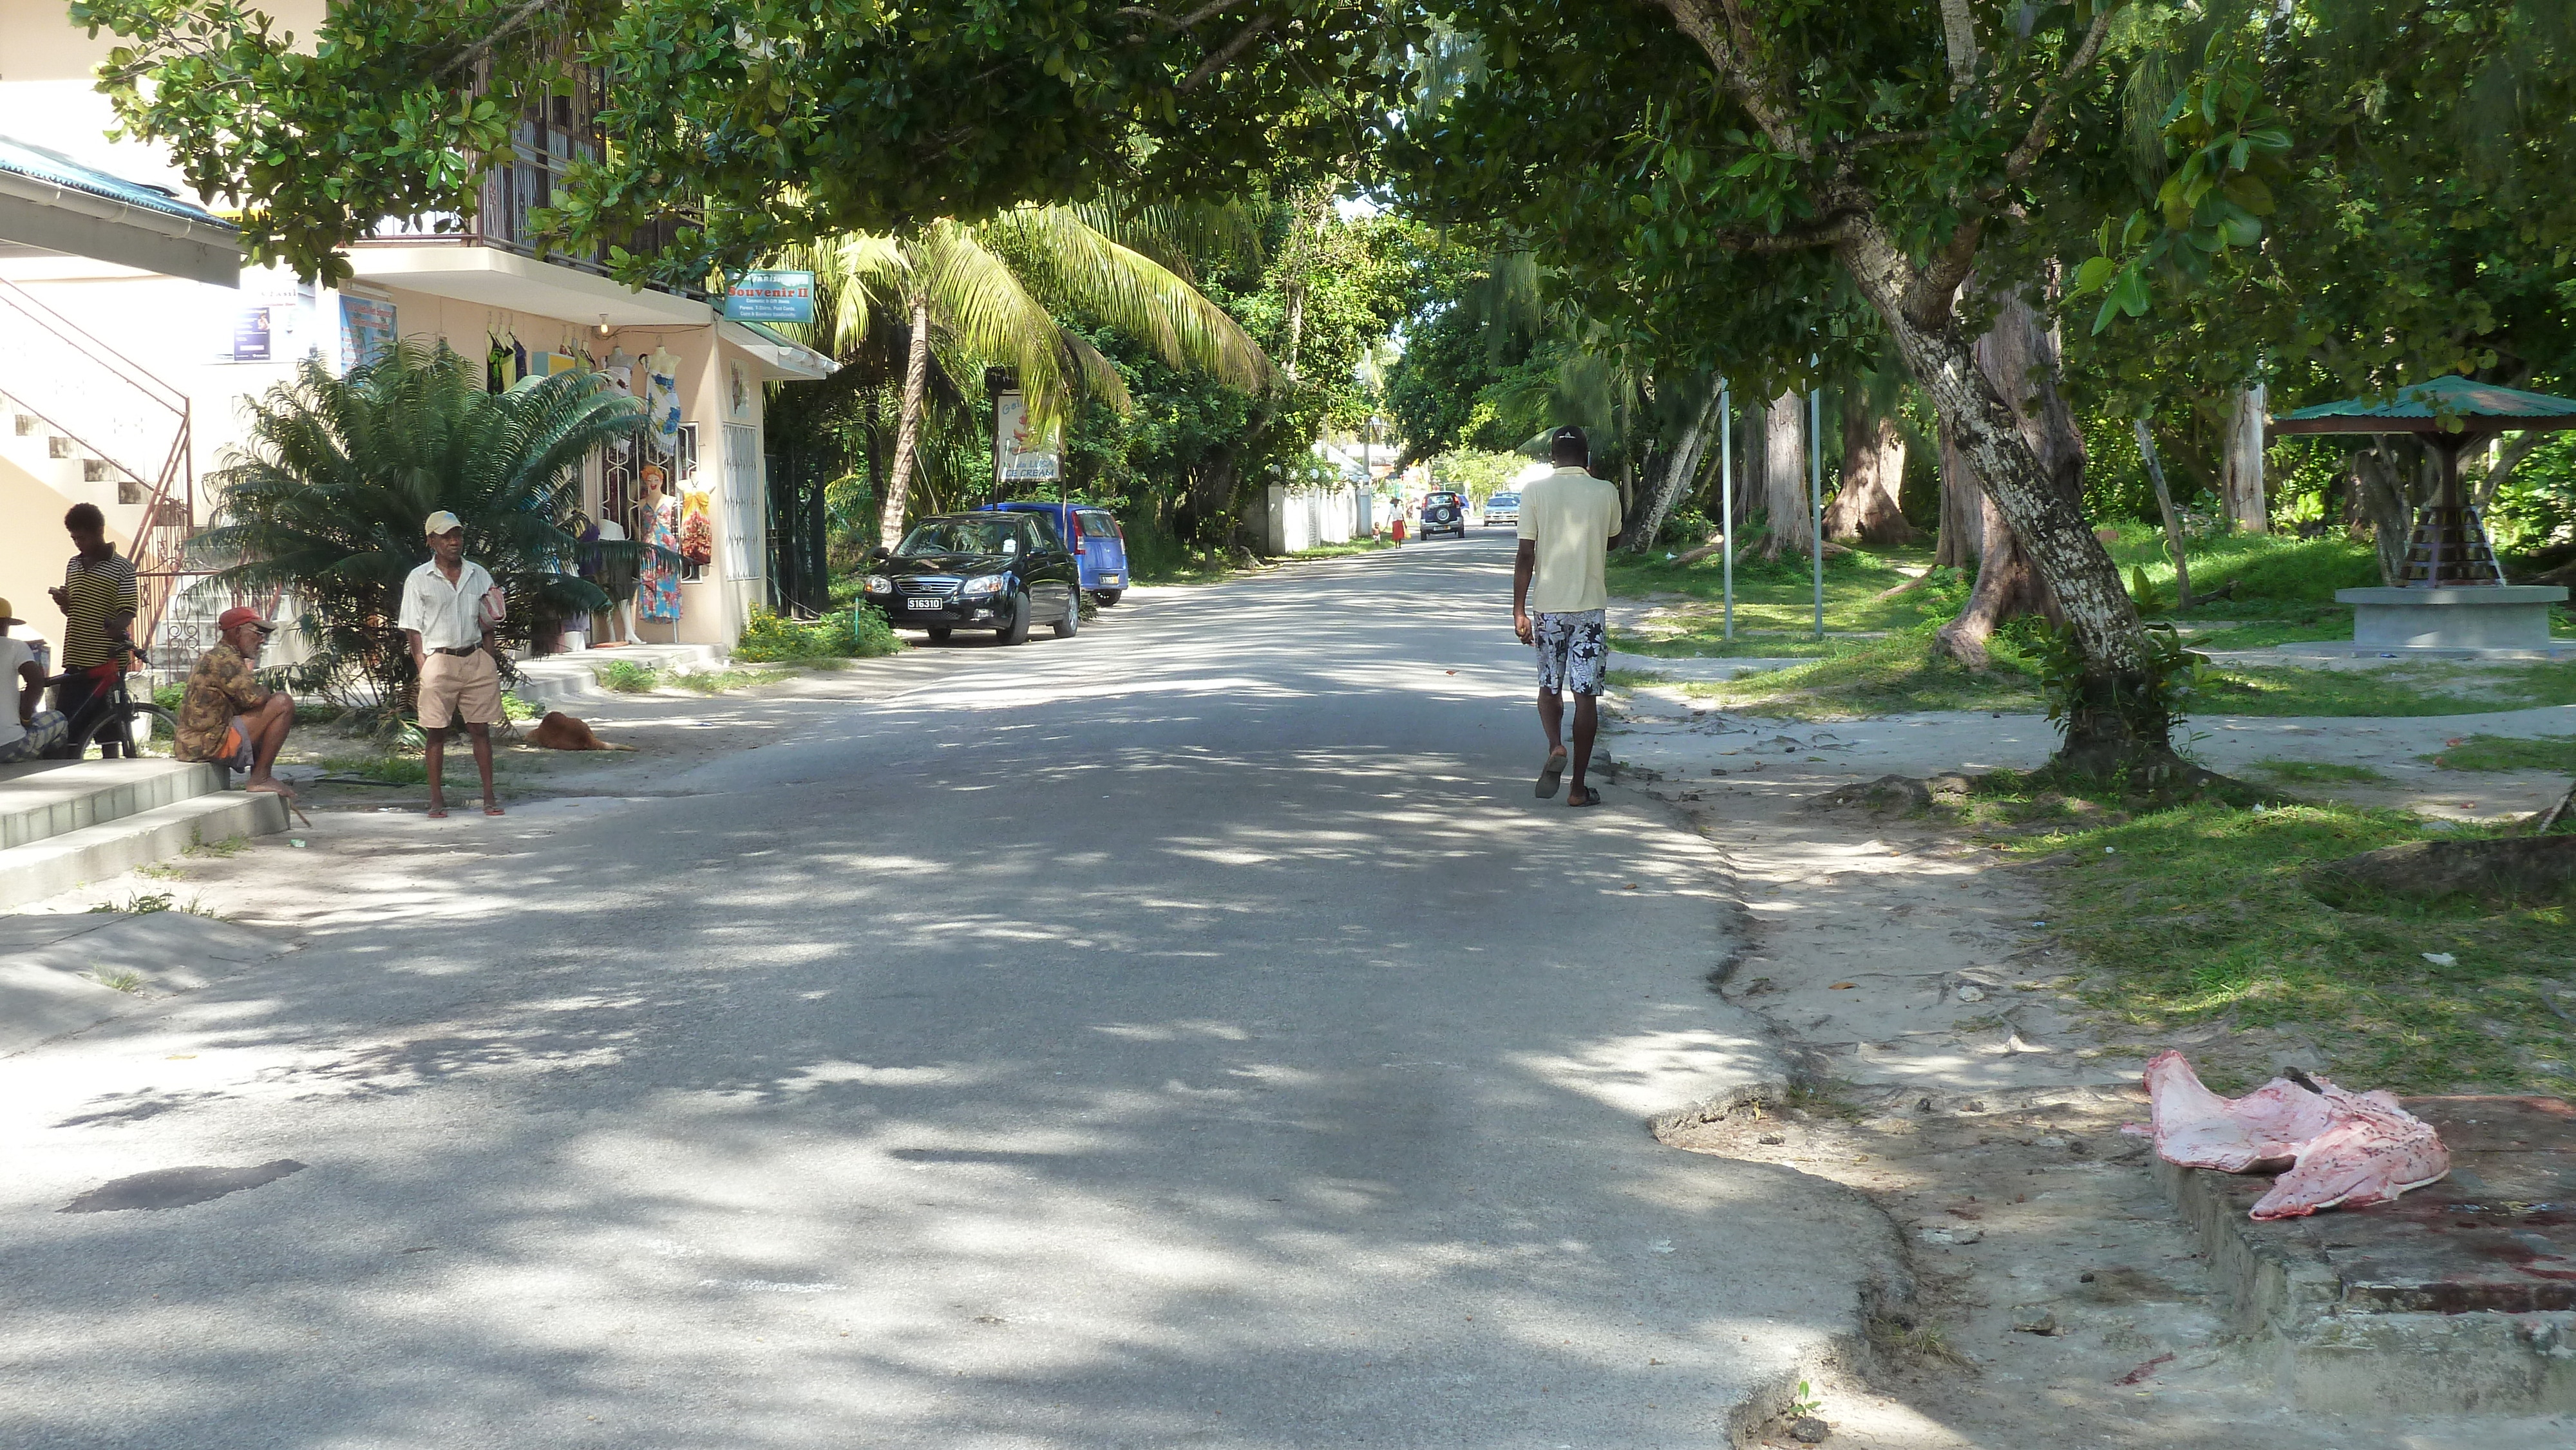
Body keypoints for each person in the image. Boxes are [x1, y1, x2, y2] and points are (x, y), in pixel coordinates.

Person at [1512, 425, 1623, 808]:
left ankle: (1556, 745)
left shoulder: (1535, 492)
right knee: (1586, 697)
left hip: (1548, 609)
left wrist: (1518, 610)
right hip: (1590, 609)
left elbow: (1526, 553)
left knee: (1549, 685)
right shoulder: (1606, 491)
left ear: (1552, 458)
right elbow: (1614, 539)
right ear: (1587, 458)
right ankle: (1577, 789)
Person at [399, 511, 507, 818]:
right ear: (431, 541)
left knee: (480, 730)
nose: (454, 542)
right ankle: (437, 800)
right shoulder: (419, 578)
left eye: (457, 535)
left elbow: (489, 619)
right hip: (438, 660)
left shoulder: (479, 574)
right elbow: (413, 629)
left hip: (475, 658)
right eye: (446, 536)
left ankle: (489, 797)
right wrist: (424, 667)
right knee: (435, 733)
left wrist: (489, 658)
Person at [175, 607, 297, 795]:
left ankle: (262, 776)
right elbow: (255, 698)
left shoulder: (218, 655)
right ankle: (260, 778)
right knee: (282, 703)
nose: (262, 639)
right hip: (208, 745)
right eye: (257, 633)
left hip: (195, 744)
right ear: (237, 631)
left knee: (267, 712)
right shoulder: (226, 658)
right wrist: (265, 690)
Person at [49, 503, 137, 757]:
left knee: (110, 733)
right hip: (76, 658)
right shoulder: (73, 565)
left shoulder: (122, 567)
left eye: (82, 537)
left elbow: (128, 610)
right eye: (74, 538)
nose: (78, 543)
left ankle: (115, 777)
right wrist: (63, 602)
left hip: (106, 661)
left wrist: (117, 630)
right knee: (69, 728)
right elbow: (72, 611)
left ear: (100, 531)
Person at [0, 598, 68, 764]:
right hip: (9, 746)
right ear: (6, 624)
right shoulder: (16, 647)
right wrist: (25, 716)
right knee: (59, 719)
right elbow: (36, 683)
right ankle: (52, 770)